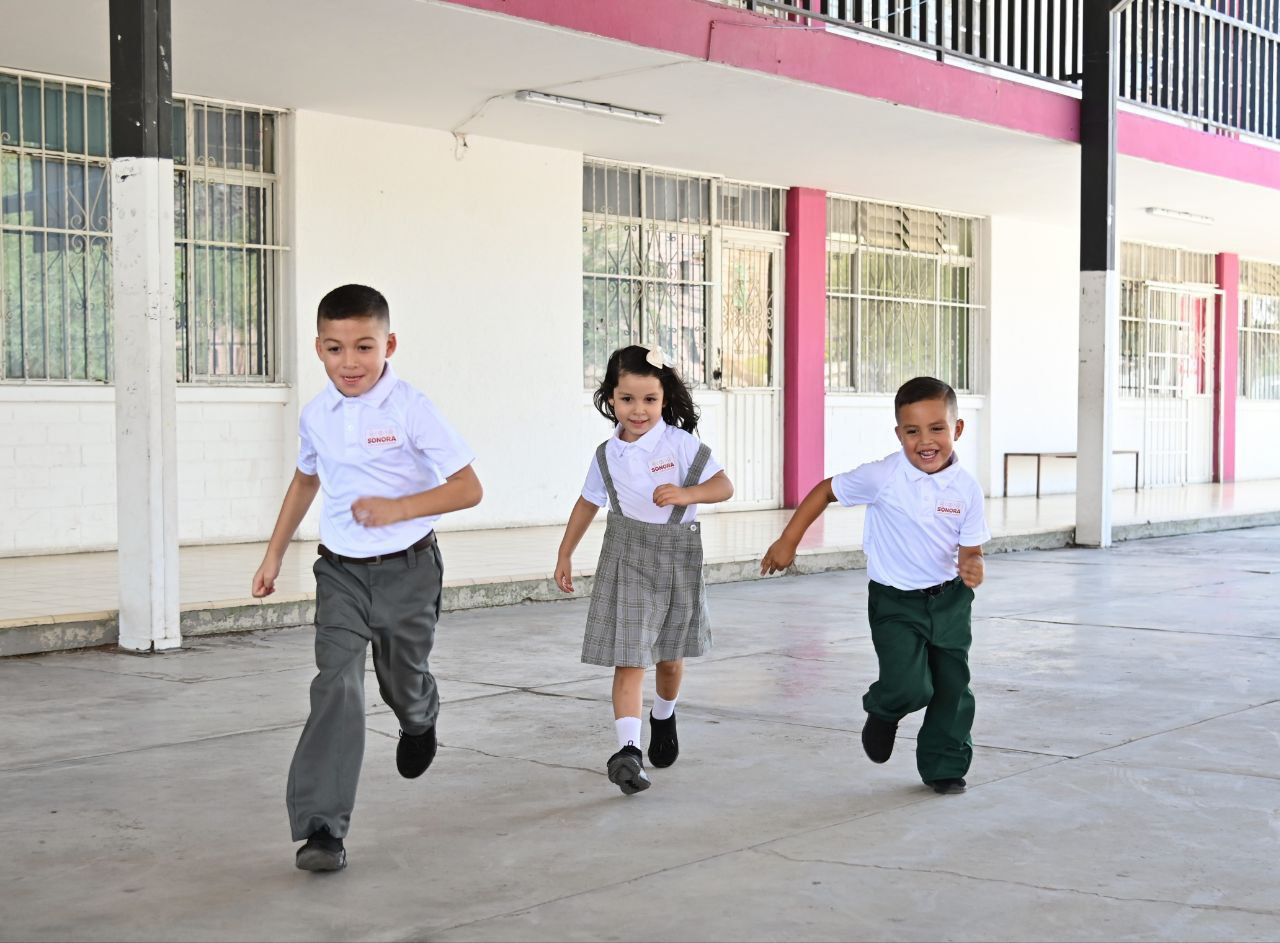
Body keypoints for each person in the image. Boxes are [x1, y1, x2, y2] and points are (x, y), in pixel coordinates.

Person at [251, 284, 482, 871]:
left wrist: (397, 508)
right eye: (334, 349)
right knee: (336, 683)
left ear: (389, 345)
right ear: (318, 349)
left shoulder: (411, 406)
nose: (349, 362)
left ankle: (419, 714)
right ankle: (322, 828)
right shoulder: (317, 415)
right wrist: (273, 555)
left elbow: (468, 487)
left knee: (400, 677)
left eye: (363, 347)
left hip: (409, 569)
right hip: (341, 573)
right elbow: (306, 481)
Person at [761, 376, 989, 795]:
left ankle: (945, 765)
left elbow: (969, 549)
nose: (926, 440)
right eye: (913, 430)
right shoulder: (885, 475)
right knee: (911, 685)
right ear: (899, 433)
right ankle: (884, 710)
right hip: (895, 602)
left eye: (937, 428)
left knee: (953, 687)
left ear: (956, 430)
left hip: (950, 601)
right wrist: (788, 541)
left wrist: (972, 565)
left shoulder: (967, 489)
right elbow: (825, 491)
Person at [555, 345, 734, 795]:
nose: (639, 410)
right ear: (611, 399)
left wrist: (685, 494)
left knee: (669, 659)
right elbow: (586, 503)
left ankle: (664, 715)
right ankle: (629, 751)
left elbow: (723, 485)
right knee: (629, 654)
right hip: (626, 553)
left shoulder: (679, 444)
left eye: (649, 400)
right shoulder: (606, 454)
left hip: (676, 554)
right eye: (628, 399)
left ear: (664, 400)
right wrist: (565, 553)